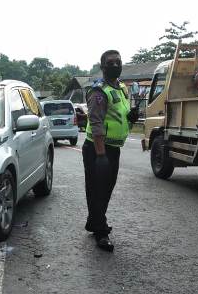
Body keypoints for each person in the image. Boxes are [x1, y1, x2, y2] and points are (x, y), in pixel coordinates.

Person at [83, 50, 139, 252]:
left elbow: (119, 113)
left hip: (113, 148)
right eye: (110, 63)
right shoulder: (98, 91)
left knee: (106, 188)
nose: (115, 65)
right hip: (98, 149)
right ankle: (101, 232)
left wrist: (130, 116)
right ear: (102, 66)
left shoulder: (122, 87)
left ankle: (94, 221)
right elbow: (96, 123)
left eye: (118, 62)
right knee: (98, 190)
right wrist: (100, 155)